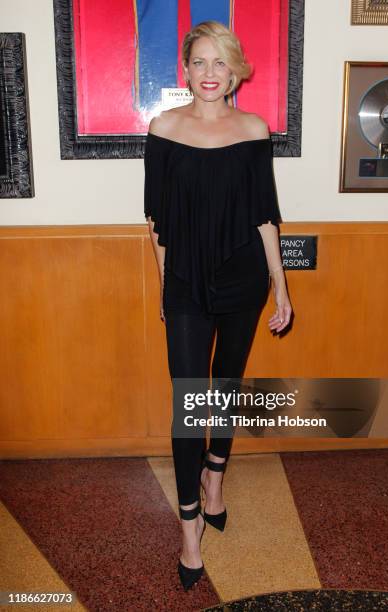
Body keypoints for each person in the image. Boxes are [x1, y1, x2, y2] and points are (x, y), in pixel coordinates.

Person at [144, 21, 292, 591]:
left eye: (220, 63)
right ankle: (188, 532)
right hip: (184, 279)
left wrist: (281, 288)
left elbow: (264, 216)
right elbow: (156, 221)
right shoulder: (163, 129)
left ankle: (215, 479)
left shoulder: (254, 130)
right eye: (200, 62)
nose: (210, 73)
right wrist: (164, 289)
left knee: (225, 385)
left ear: (235, 71)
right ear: (186, 69)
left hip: (242, 280)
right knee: (189, 402)